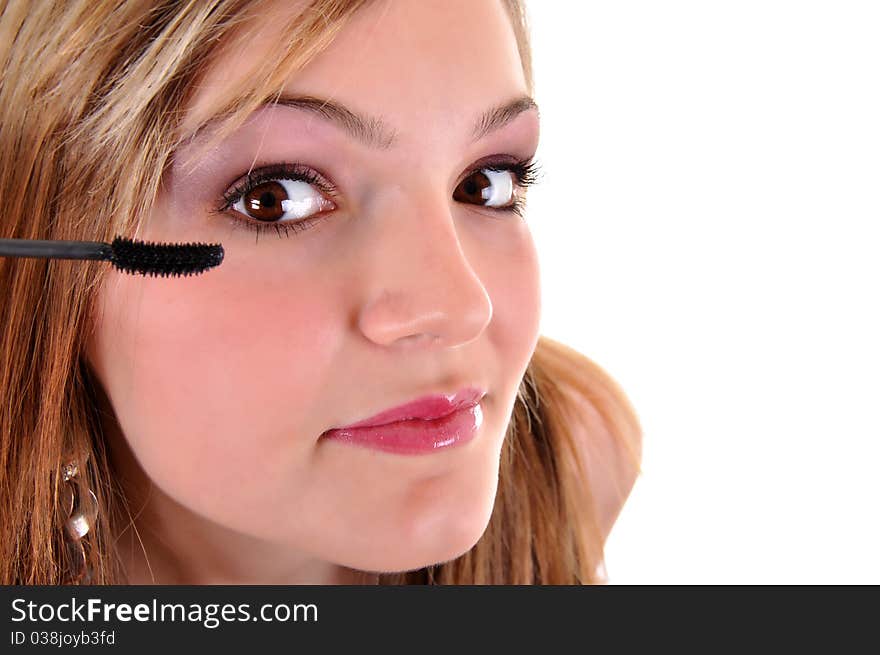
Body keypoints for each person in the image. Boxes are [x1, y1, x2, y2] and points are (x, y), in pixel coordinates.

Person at [0, 0, 642, 585]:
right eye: (275, 200)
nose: (459, 308)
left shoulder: (569, 457)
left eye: (486, 183)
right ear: (45, 255)